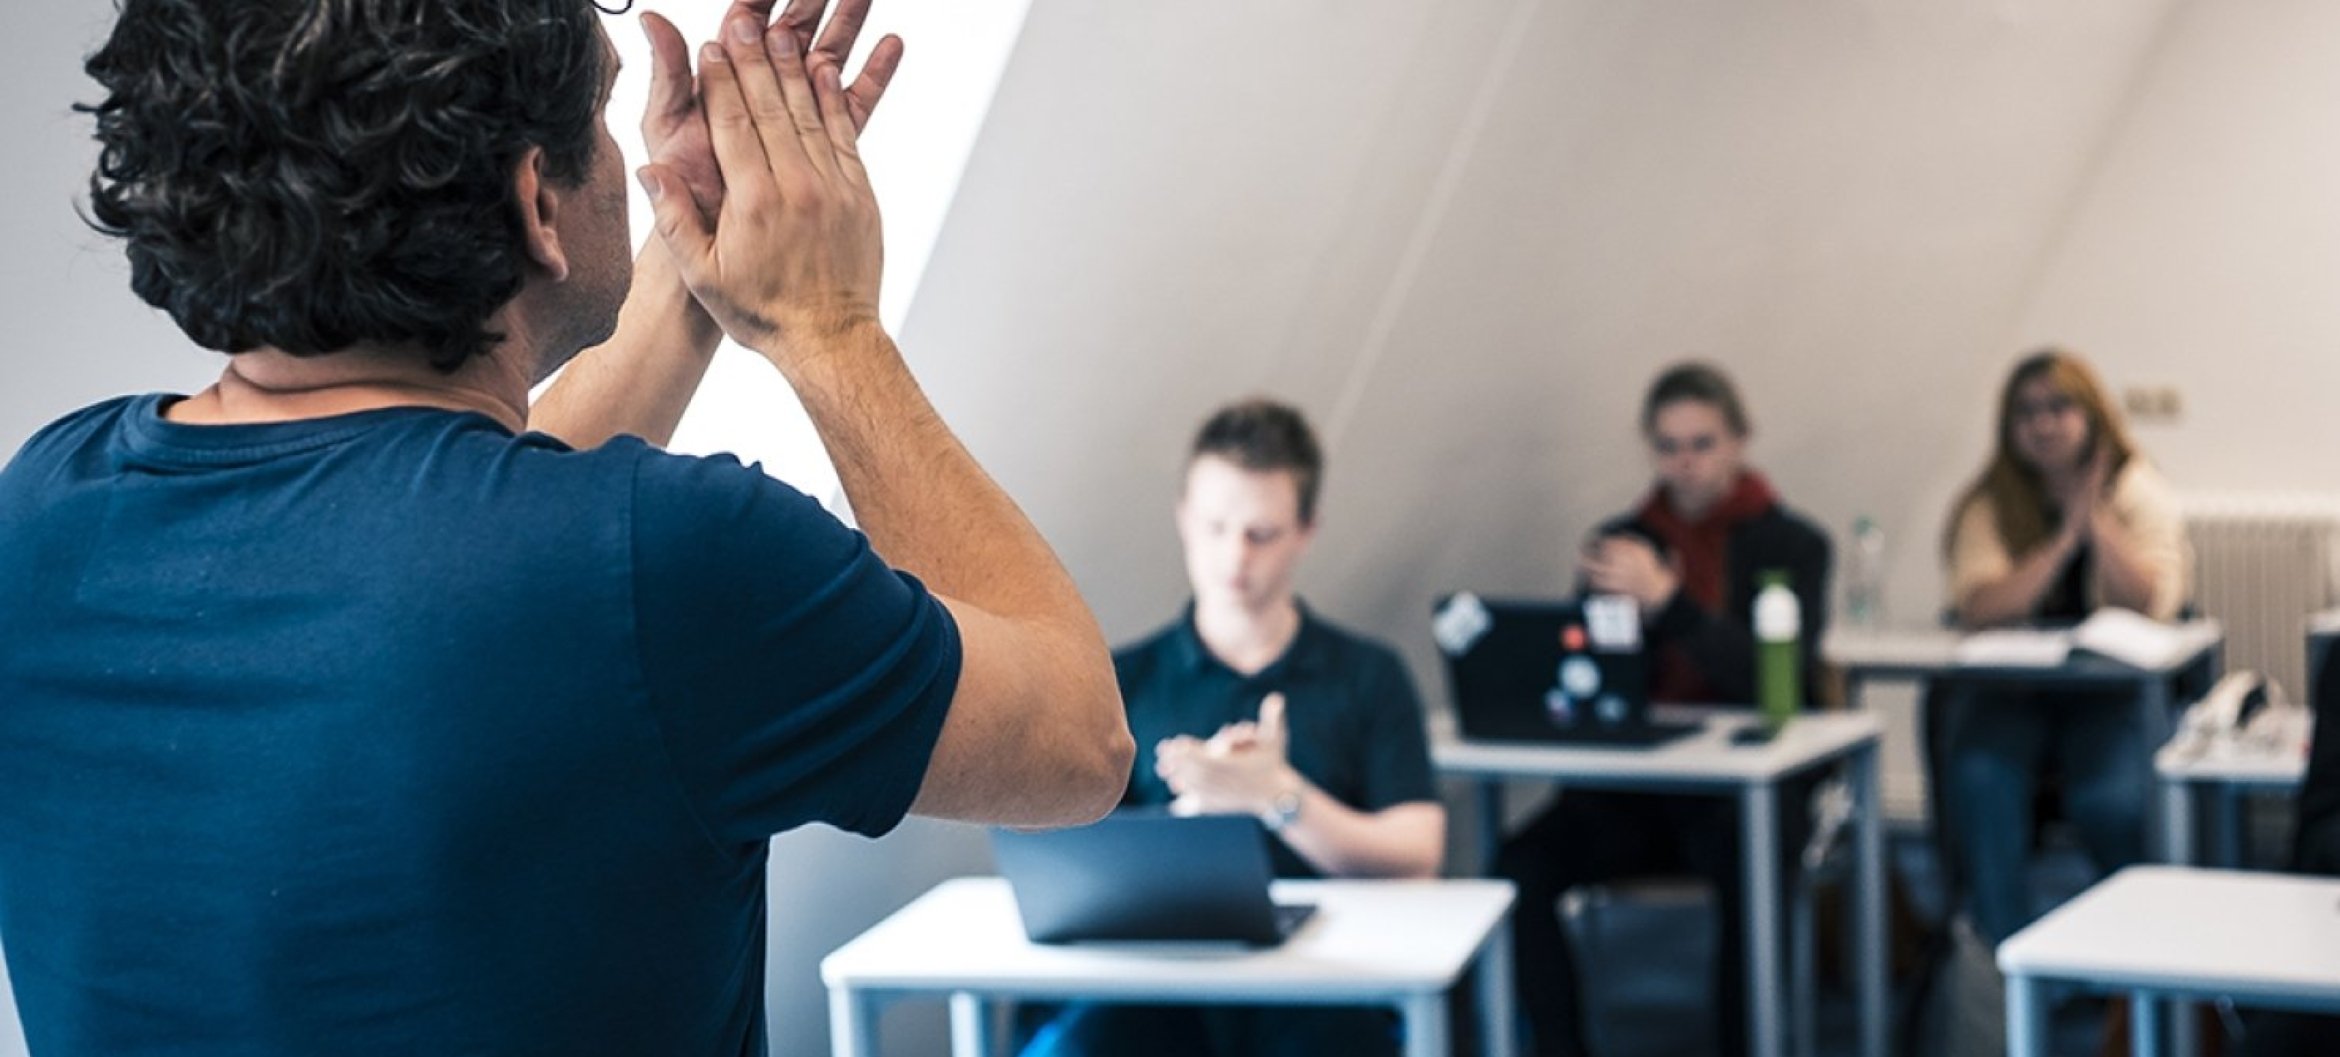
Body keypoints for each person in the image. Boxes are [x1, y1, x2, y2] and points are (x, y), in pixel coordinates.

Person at [0, 1, 1134, 1054]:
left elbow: (453, 532)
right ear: (538, 201)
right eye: (600, 116)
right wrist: (828, 327)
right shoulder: (672, 560)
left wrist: (701, 264)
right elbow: (1078, 746)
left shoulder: (46, 509)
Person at [1016, 398, 1445, 1057]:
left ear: (1306, 530)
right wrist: (1198, 809)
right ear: (1185, 518)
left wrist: (1278, 796)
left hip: (1325, 982)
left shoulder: (1367, 674)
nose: (1234, 556)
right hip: (1159, 980)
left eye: (1261, 533)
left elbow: (1419, 851)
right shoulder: (1123, 679)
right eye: (1216, 526)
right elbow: (1073, 870)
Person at [1496, 362, 1831, 1057]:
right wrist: (1604, 617)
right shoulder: (1622, 540)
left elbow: (1779, 683)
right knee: (1516, 867)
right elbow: (1586, 675)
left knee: (1753, 863)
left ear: (1739, 442)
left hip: (1745, 792)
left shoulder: (1793, 545)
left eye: (1702, 443)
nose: (1685, 463)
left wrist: (1668, 604)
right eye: (1669, 446)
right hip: (1639, 789)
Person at [1938, 348, 2189, 949]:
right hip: (2018, 694)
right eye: (2026, 412)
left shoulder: (2136, 487)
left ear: (2093, 415)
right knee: (1979, 781)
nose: (2043, 424)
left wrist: (2095, 519)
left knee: (2111, 804)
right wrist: (2062, 541)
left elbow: (2151, 600)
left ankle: (2130, 969)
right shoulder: (1992, 498)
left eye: (2059, 407)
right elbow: (1980, 605)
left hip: (2111, 696)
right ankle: (2008, 961)